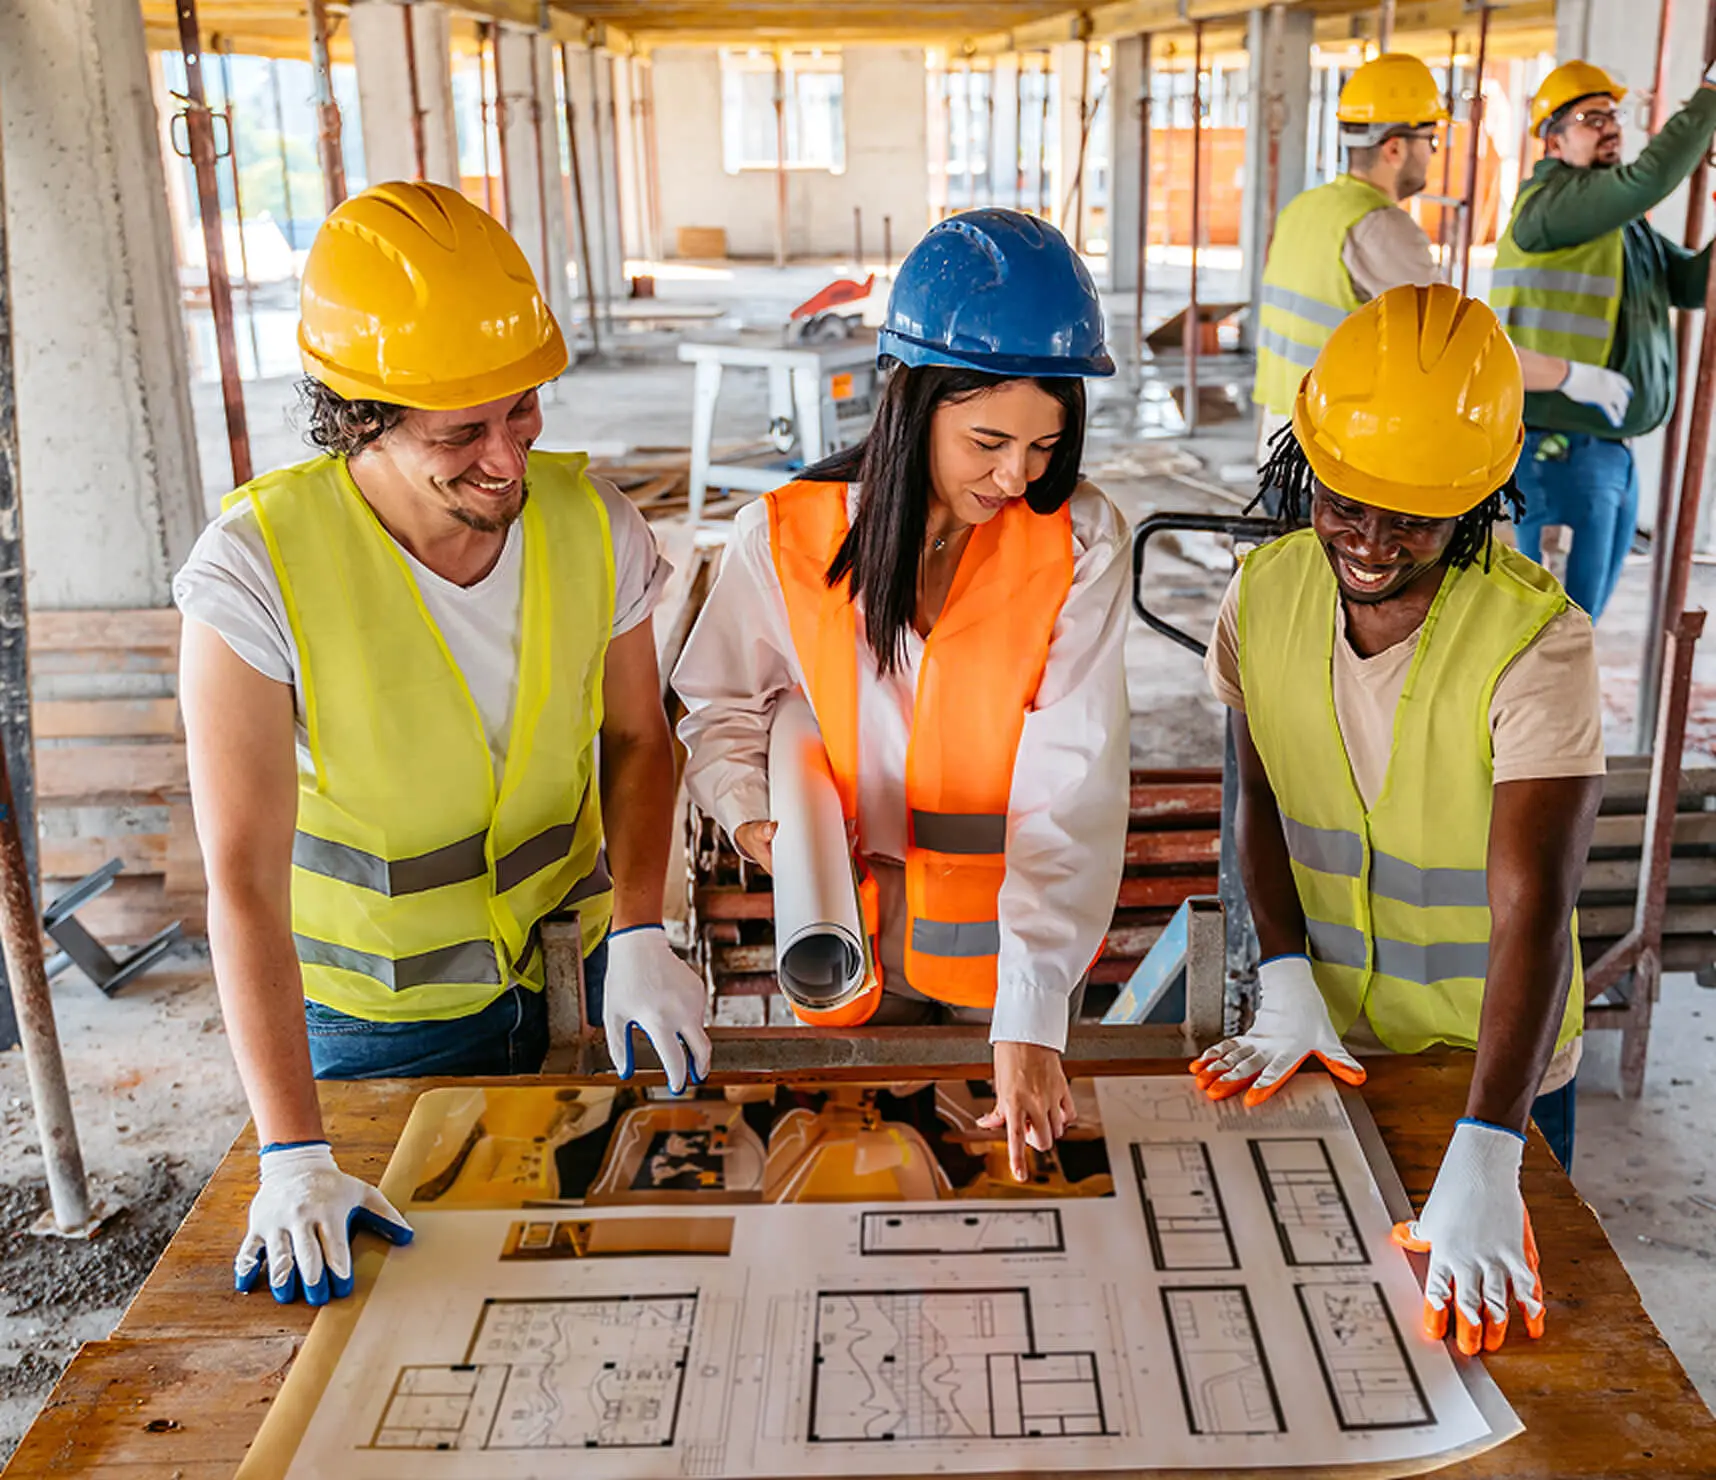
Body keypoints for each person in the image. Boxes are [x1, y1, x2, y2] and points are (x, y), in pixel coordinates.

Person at [175, 182, 712, 1306]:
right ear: (356, 416)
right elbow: (243, 881)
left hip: (579, 974)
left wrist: (643, 926)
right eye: (460, 433)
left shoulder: (594, 522)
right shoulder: (255, 571)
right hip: (376, 1029)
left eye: (523, 412)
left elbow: (638, 738)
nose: (507, 460)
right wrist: (293, 1152)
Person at [673, 209, 1130, 1183]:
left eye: (1045, 445)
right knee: (853, 1183)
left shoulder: (1079, 542)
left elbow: (1071, 790)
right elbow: (722, 707)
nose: (1016, 476)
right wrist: (755, 820)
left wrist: (1032, 1011)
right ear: (912, 403)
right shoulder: (786, 536)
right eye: (988, 440)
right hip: (844, 944)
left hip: (1010, 956)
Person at [1195, 284, 1605, 1356]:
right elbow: (1257, 799)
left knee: (1495, 1361)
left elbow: (1533, 909)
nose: (1372, 542)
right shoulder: (1264, 594)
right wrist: (1285, 974)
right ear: (1308, 467)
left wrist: (1490, 1143)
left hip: (1496, 1068)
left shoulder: (1537, 645)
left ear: (1479, 498)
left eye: (1415, 518)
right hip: (1328, 1038)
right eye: (1344, 502)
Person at [1255, 53, 1629, 462]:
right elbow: (1462, 348)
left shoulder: (1304, 208)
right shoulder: (1382, 226)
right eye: (1431, 140)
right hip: (1336, 446)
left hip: (1281, 434)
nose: (1434, 154)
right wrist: (1570, 376)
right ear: (1395, 148)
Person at [1493, 59, 1716, 620]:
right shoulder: (1549, 207)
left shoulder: (1621, 225)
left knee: (1580, 619)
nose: (1611, 127)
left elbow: (1692, 286)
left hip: (1607, 448)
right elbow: (1649, 180)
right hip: (1557, 448)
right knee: (1550, 621)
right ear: (1553, 140)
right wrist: (1710, 97)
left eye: (1614, 116)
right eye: (1592, 119)